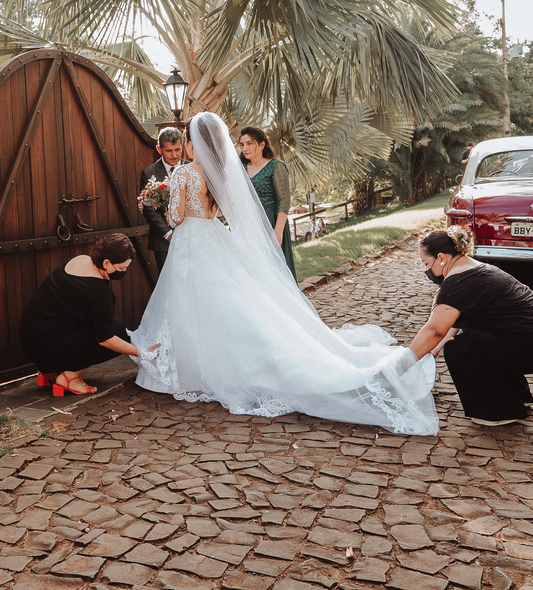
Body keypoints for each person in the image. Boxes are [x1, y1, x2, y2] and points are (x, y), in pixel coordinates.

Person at [132, 112, 438, 435]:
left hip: (190, 243)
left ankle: (194, 369)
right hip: (213, 237)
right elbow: (215, 212)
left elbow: (178, 216)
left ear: (194, 142)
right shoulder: (219, 172)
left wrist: (169, 207)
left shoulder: (183, 174)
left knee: (194, 305)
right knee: (227, 302)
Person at [407, 228, 533, 426]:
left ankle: (501, 410)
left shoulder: (458, 281)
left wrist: (404, 362)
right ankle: (517, 397)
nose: (426, 271)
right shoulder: (474, 268)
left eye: (426, 264)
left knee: (459, 350)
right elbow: (453, 322)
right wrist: (434, 349)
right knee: (479, 338)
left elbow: (434, 330)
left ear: (441, 257)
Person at [19, 233, 146, 396]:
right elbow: (106, 339)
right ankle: (69, 378)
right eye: (122, 268)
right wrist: (141, 353)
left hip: (30, 340)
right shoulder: (100, 291)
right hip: (48, 346)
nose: (123, 272)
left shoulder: (79, 260)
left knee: (93, 325)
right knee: (118, 331)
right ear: (106, 262)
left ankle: (47, 371)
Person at [238, 126, 296, 278]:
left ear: (262, 145)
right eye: (242, 144)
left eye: (249, 143)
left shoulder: (276, 166)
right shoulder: (240, 169)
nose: (245, 148)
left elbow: (284, 200)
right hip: (249, 225)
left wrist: (277, 231)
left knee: (275, 271)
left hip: (271, 222)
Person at [139, 127, 186, 273]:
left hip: (189, 235)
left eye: (177, 149)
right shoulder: (149, 173)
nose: (174, 155)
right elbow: (148, 208)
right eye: (169, 151)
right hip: (162, 241)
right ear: (159, 149)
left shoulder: (191, 168)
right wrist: (168, 234)